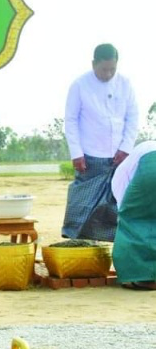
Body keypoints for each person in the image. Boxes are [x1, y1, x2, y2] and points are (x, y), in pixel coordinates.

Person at [62, 43, 139, 241]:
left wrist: (126, 148)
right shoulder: (80, 85)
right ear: (93, 64)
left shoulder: (125, 84)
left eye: (112, 69)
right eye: (104, 69)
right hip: (89, 156)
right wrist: (76, 153)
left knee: (115, 206)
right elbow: (70, 120)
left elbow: (133, 118)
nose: (108, 73)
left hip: (118, 157)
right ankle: (78, 245)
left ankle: (111, 248)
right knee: (82, 205)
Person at [111, 140, 156, 290]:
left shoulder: (118, 177)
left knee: (131, 221)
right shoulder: (138, 152)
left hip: (151, 163)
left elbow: (125, 209)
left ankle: (141, 278)